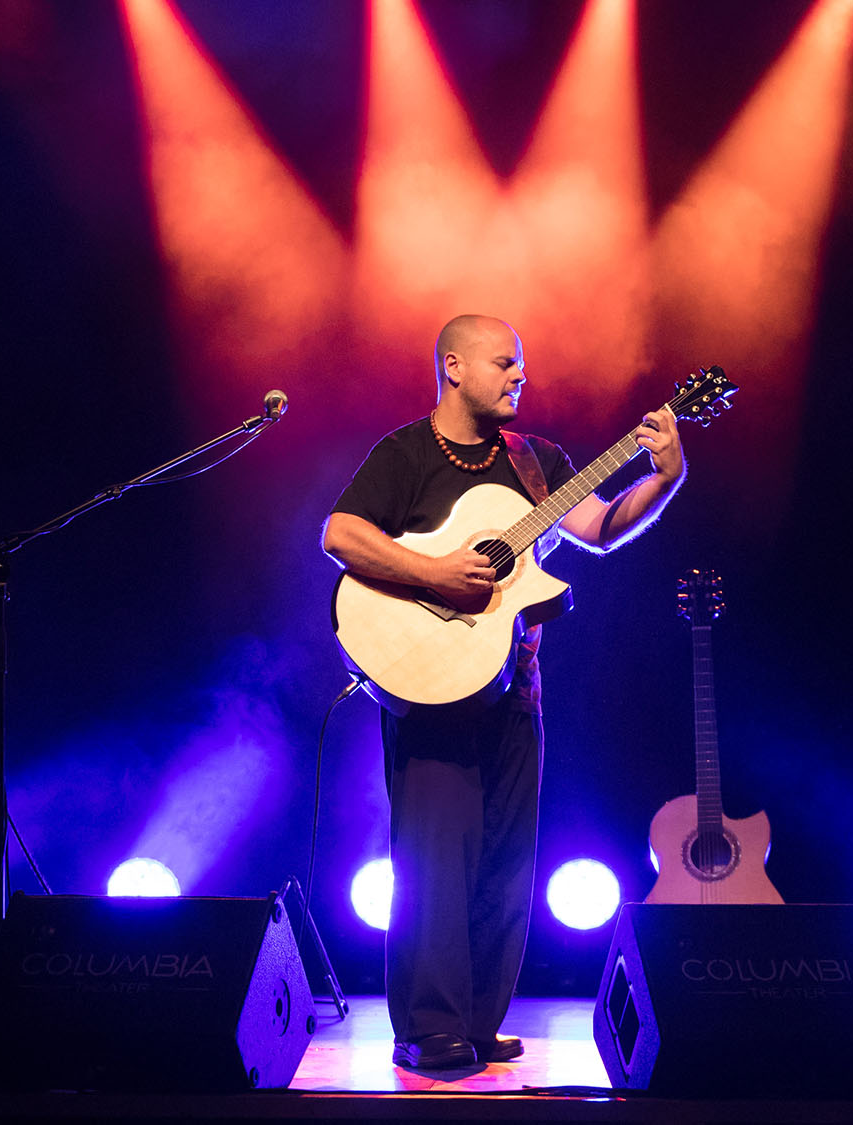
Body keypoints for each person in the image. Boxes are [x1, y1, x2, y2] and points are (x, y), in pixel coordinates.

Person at [321, 314, 687, 1071]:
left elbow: (600, 528)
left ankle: (477, 1021)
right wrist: (434, 571)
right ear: (453, 367)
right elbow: (341, 535)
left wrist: (663, 478)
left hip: (515, 687)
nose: (521, 375)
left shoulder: (537, 461)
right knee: (435, 862)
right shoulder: (405, 452)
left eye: (521, 364)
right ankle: (428, 1027)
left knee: (506, 864)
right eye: (504, 362)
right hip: (427, 686)